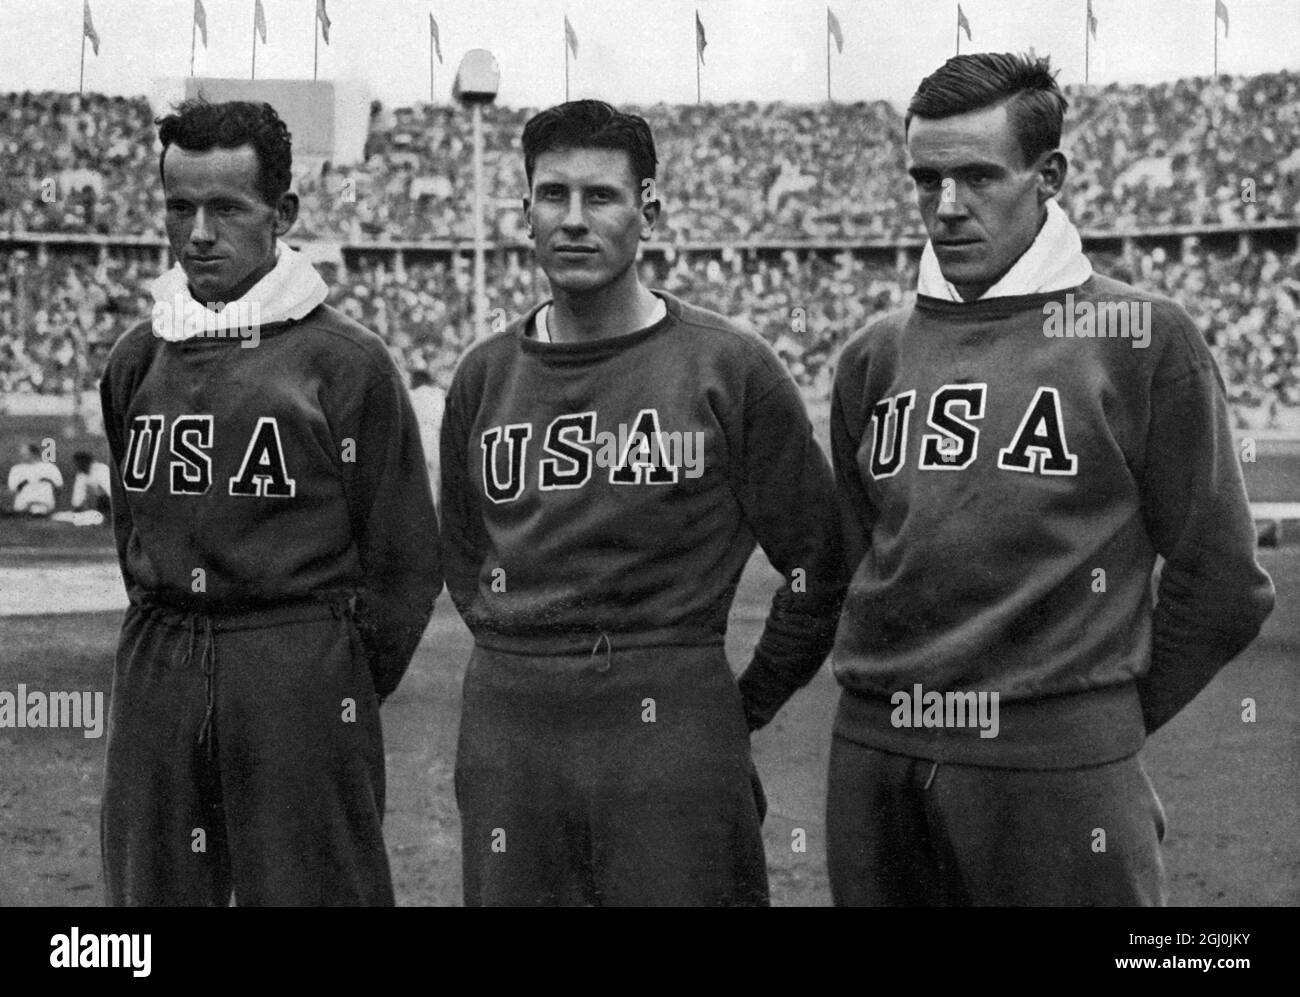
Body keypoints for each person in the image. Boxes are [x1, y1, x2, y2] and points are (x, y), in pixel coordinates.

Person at [826, 52, 1275, 907]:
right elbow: (854, 560)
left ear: (1050, 175)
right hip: (874, 759)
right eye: (927, 180)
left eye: (977, 177)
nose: (947, 207)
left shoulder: (1141, 337)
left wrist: (1094, 726)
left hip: (1058, 772)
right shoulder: (872, 353)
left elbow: (1224, 582)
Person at [439, 100, 845, 906]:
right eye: (552, 195)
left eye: (602, 196)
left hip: (673, 714)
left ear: (648, 210)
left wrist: (737, 703)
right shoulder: (484, 375)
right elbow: (461, 556)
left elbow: (817, 566)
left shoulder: (729, 368)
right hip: (512, 720)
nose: (574, 219)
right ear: (525, 213)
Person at [98, 98, 441, 906]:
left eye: (227, 208)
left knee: (314, 889)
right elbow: (131, 530)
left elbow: (406, 563)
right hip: (159, 655)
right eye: (179, 207)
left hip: (296, 661)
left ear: (282, 212)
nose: (199, 233)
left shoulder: (346, 361)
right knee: (150, 897)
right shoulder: (137, 356)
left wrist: (330, 671)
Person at [4, 442, 63, 516]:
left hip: (44, 501)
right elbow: (12, 489)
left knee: (44, 485)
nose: (21, 456)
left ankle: (38, 510)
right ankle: (31, 510)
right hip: (24, 502)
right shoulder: (16, 469)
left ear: (34, 454)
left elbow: (59, 487)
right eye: (21, 454)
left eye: (25, 454)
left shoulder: (49, 467)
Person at [70, 450, 112, 515]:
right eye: (76, 463)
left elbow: (110, 489)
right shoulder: (81, 475)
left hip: (113, 497)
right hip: (102, 499)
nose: (77, 466)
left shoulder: (101, 469)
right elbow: (79, 493)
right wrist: (76, 507)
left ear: (86, 462)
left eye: (79, 463)